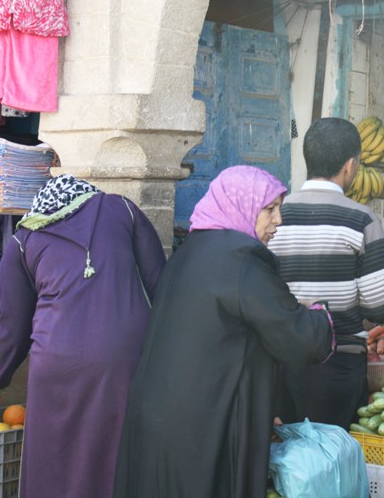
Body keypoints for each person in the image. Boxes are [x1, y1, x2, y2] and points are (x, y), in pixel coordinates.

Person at [112, 165, 335, 498]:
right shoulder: (242, 259)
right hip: (203, 424)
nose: (279, 221)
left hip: (160, 414)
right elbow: (297, 336)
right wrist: (320, 314)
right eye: (270, 209)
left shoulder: (189, 251)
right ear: (241, 206)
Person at [0, 174, 166, 498]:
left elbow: (13, 328)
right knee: (116, 455)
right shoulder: (123, 210)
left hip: (56, 365)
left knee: (54, 458)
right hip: (124, 358)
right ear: (88, 195)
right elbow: (160, 288)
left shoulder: (24, 238)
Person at [268, 117, 384, 430]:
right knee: (330, 459)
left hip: (279, 362)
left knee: (285, 462)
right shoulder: (361, 219)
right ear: (350, 166)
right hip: (338, 364)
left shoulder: (274, 215)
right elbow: (380, 307)